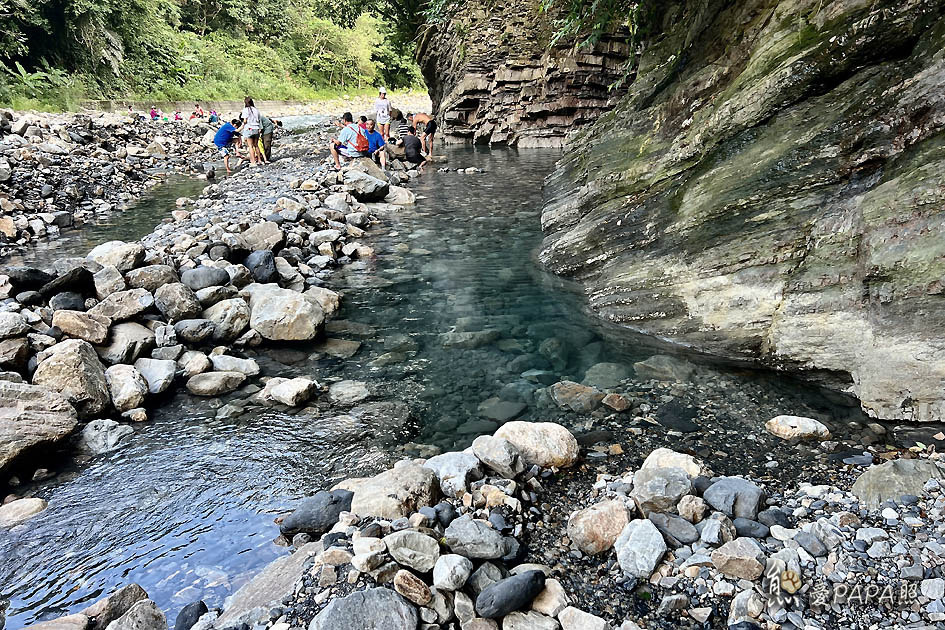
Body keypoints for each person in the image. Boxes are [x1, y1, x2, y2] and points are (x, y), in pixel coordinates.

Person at [240, 96, 263, 166]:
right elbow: (259, 120)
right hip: (256, 128)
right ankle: (259, 160)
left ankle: (253, 162)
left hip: (249, 129)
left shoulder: (245, 110)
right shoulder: (256, 110)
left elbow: (245, 120)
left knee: (250, 146)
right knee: (256, 145)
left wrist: (243, 125)